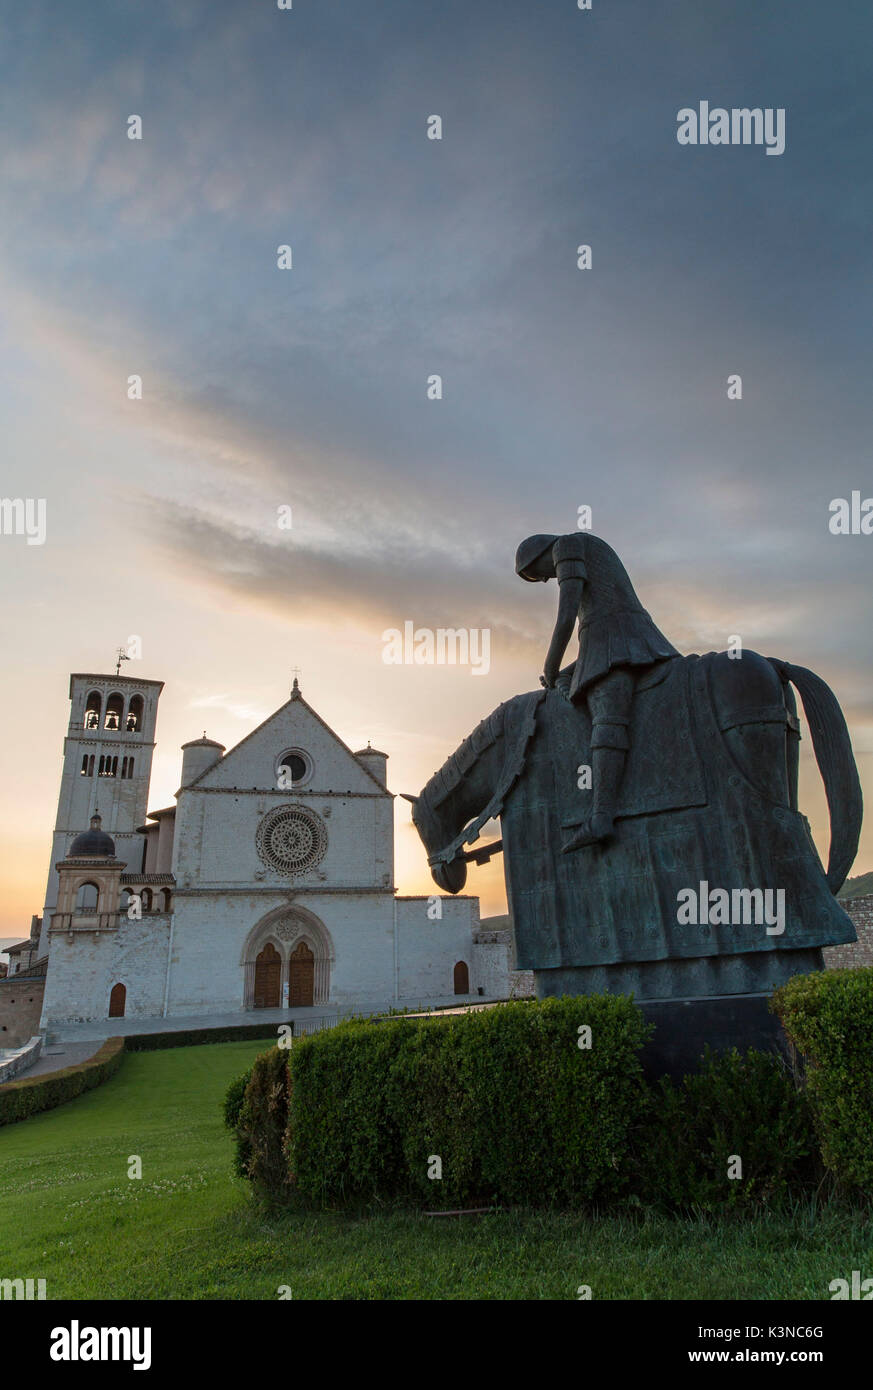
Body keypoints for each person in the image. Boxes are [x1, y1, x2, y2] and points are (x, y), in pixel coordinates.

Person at [516, 531, 679, 848]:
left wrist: (550, 669)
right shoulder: (584, 546)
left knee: (607, 719)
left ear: (540, 555)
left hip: (617, 636)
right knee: (578, 682)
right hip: (608, 638)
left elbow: (566, 617)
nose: (547, 580)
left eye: (539, 575)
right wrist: (562, 675)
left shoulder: (568, 546)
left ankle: (601, 817)